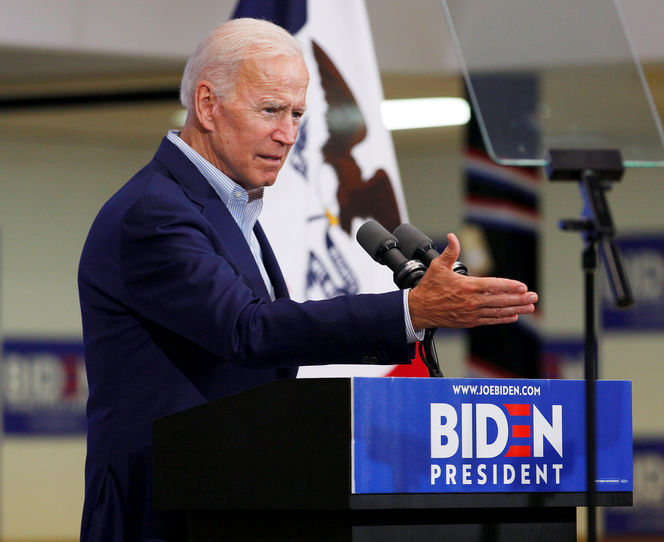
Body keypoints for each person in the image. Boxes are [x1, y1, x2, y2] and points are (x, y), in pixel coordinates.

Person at [77, 17, 537, 542]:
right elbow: (246, 331)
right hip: (162, 513)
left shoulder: (231, 209)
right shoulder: (155, 213)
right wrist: (409, 311)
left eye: (297, 113)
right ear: (207, 105)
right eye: (270, 110)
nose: (288, 134)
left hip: (233, 496)